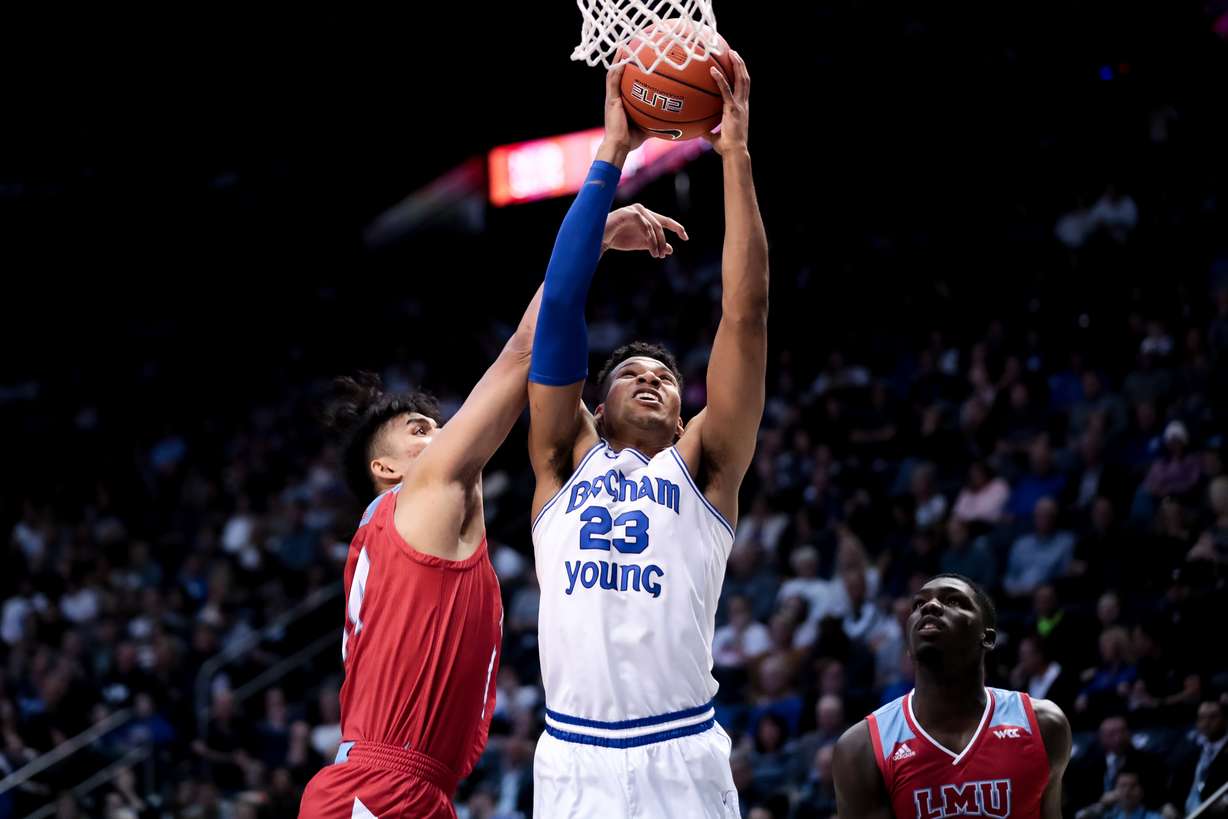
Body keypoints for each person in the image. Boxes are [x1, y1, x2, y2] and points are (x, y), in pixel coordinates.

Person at [298, 158, 680, 816]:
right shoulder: (409, 500)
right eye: (419, 430)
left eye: (436, 424)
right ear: (385, 470)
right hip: (378, 789)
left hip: (417, 790)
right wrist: (594, 231)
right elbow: (525, 350)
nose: (441, 433)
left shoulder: (419, 526)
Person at [526, 55, 766, 818]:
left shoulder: (706, 467)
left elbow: (745, 314)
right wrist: (611, 154)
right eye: (630, 372)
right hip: (573, 757)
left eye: (664, 377)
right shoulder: (565, 457)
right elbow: (559, 306)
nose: (652, 379)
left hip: (681, 751)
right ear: (596, 400)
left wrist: (734, 156)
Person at [832, 573, 1071, 818]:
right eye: (918, 604)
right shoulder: (863, 748)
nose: (931, 606)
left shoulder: (1043, 724)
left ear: (987, 638)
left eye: (954, 601)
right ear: (908, 644)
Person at [1075, 769, 1163, 819]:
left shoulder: (1154, 817)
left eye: (1132, 786)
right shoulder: (1109, 815)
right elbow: (1079, 816)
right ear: (1115, 790)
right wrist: (1102, 805)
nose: (1127, 791)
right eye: (1122, 786)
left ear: (1141, 791)